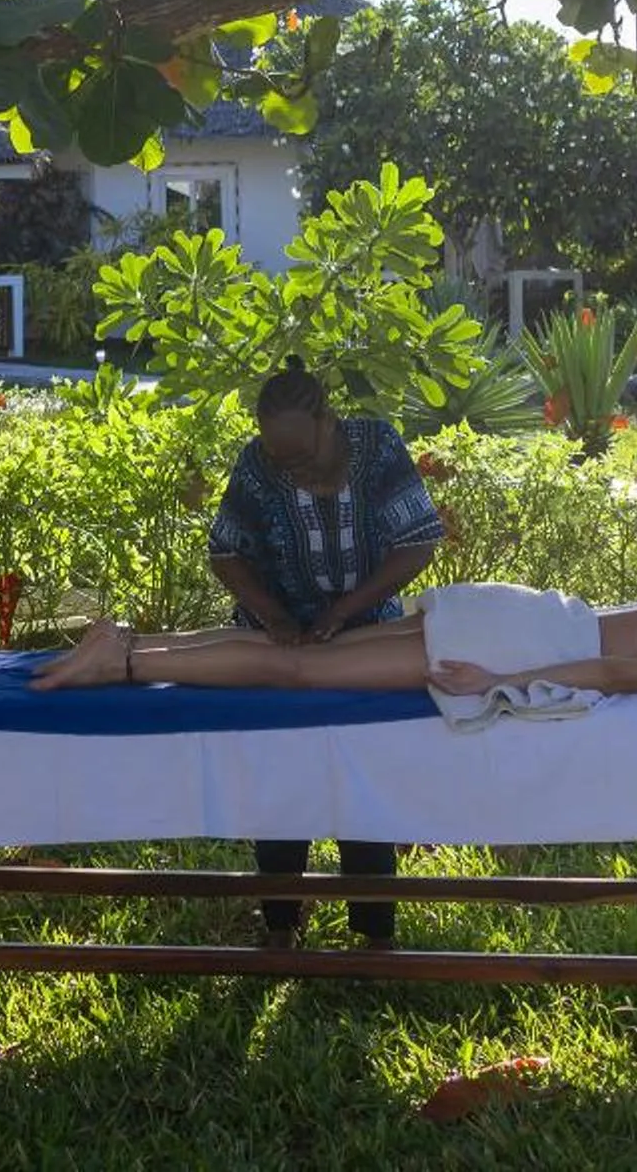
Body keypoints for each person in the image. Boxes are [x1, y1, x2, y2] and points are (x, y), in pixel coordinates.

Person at [31, 588, 637, 755]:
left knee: (305, 654)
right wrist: (500, 681)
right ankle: (130, 659)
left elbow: (614, 641)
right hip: (516, 636)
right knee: (298, 676)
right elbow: (610, 675)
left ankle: (137, 642)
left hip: (522, 603)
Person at [205, 355, 444, 950]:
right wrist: (276, 617)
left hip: (368, 639)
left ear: (328, 423)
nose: (289, 466)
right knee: (281, 778)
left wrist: (343, 611)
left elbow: (417, 544)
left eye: (301, 455)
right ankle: (281, 924)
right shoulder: (258, 465)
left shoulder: (377, 446)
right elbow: (226, 551)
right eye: (277, 456)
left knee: (363, 780)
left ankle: (373, 933)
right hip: (277, 644)